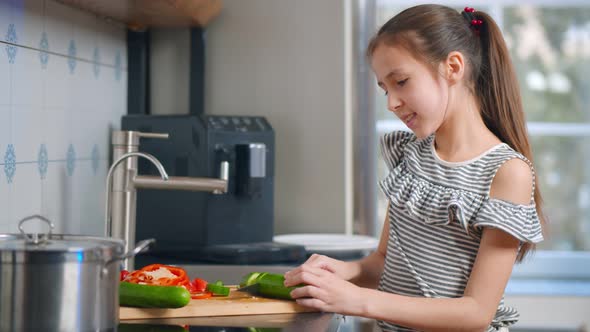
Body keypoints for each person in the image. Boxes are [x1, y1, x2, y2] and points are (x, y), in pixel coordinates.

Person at [283, 4, 546, 331]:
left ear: (453, 67)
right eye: (385, 88)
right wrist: (346, 271)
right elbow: (385, 262)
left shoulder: (506, 172)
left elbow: (476, 313)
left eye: (402, 82)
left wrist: (357, 299)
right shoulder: (410, 156)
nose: (391, 102)